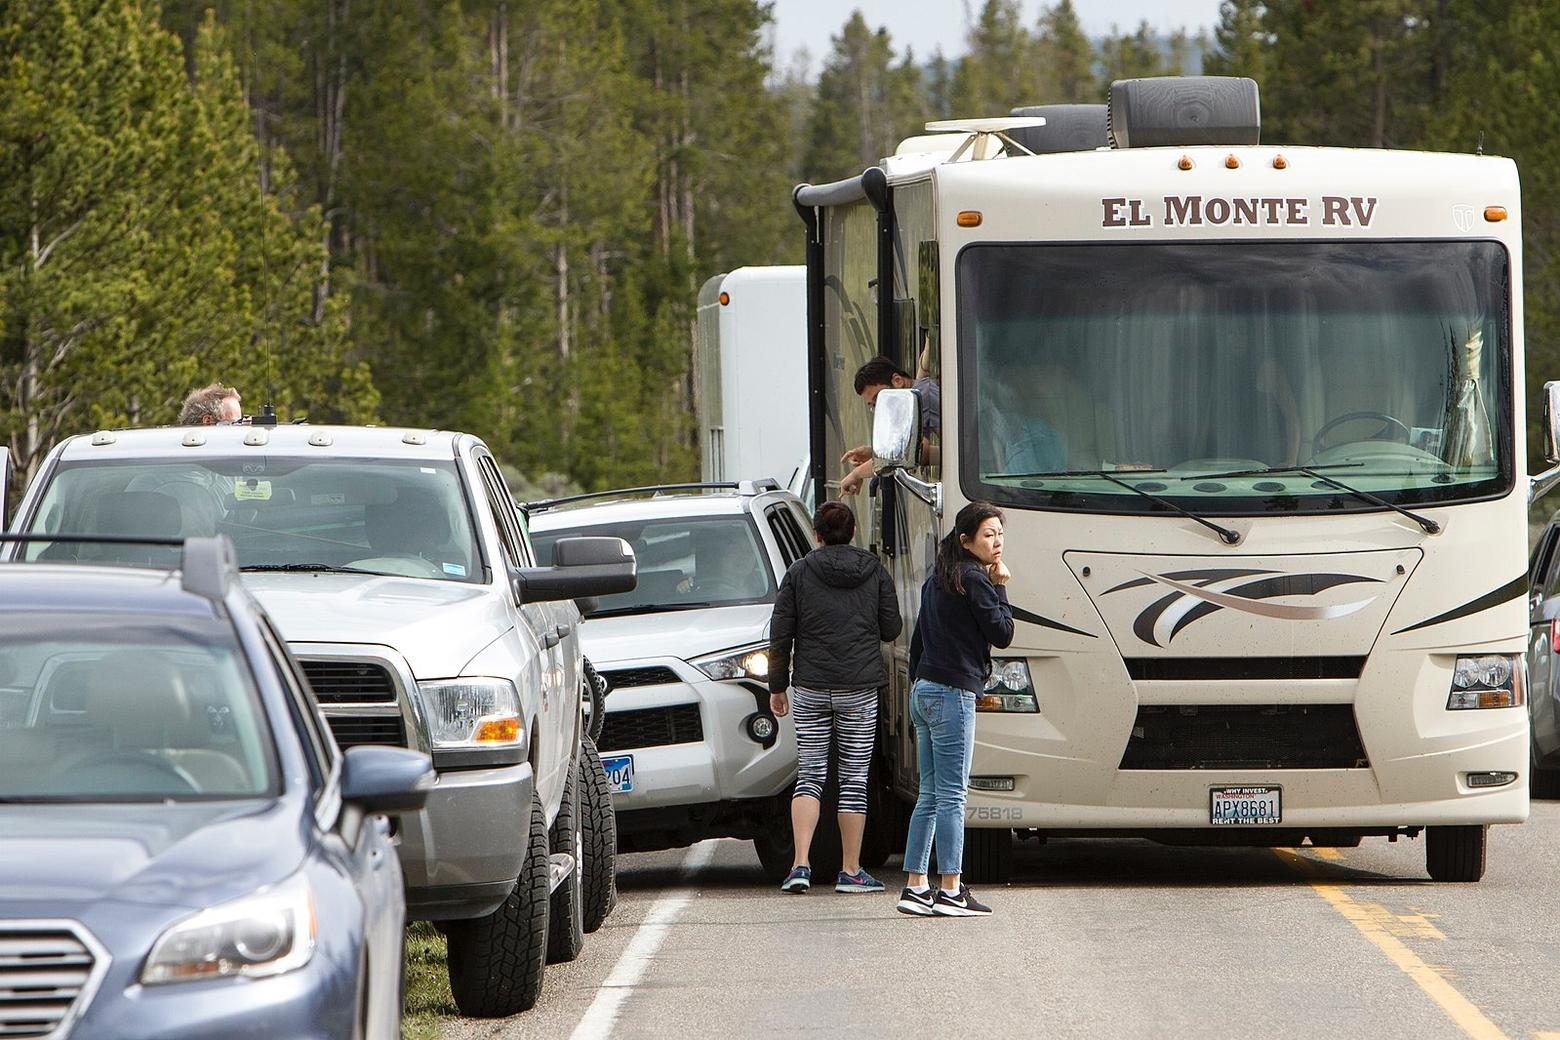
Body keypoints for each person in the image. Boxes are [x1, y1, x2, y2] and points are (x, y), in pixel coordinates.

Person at [767, 501, 902, 894]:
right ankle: (850, 870)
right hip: (859, 689)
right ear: (855, 532)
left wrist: (777, 686)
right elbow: (891, 628)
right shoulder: (874, 570)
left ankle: (800, 865)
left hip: (810, 687)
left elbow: (781, 634)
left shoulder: (799, 572)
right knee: (853, 780)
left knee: (809, 774)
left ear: (817, 534)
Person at [897, 501, 1013, 917]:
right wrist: (1000, 586)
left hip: (924, 690)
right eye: (988, 534)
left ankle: (915, 886)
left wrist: (920, 683)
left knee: (928, 794)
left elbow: (917, 644)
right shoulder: (976, 581)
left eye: (1000, 533)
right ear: (967, 540)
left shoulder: (937, 579)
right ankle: (949, 889)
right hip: (952, 694)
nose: (997, 541)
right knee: (952, 796)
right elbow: (1002, 634)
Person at [840, 356, 941, 495]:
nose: (882, 408)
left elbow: (901, 455)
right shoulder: (920, 391)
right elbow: (919, 452)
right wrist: (873, 452)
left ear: (897, 381)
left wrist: (856, 474)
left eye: (880, 399)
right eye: (874, 406)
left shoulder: (922, 397)